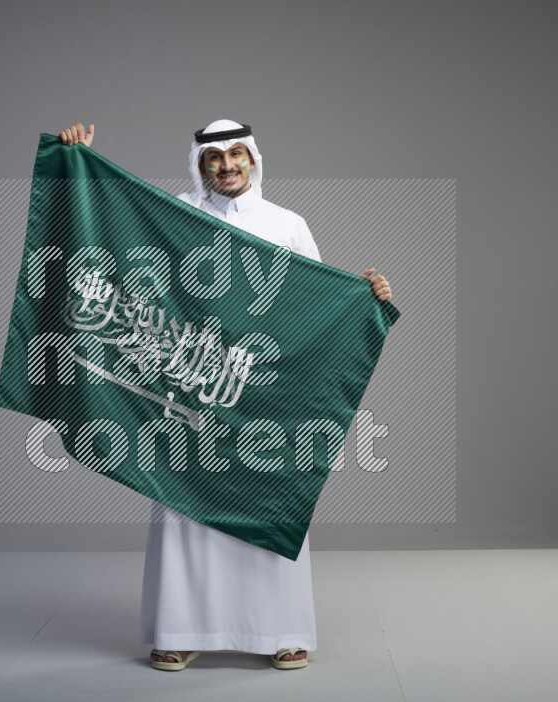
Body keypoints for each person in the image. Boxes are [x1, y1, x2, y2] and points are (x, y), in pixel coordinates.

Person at [59, 120, 393, 671]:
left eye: (237, 154)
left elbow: (317, 302)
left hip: (262, 394)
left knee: (269, 502)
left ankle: (282, 631)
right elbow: (113, 246)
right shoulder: (172, 215)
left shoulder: (288, 225)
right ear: (199, 164)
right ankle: (181, 629)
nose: (227, 166)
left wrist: (368, 297)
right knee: (184, 511)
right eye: (214, 157)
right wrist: (79, 168)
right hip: (187, 386)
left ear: (254, 159)